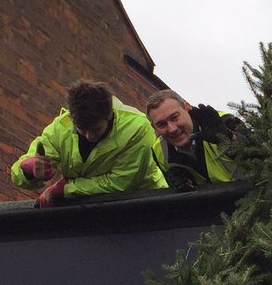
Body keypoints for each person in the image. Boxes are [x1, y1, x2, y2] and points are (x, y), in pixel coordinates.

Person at [11, 80, 166, 207]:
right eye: (82, 130)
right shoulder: (60, 128)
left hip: (147, 205)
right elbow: (20, 175)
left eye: (96, 129)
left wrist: (66, 188)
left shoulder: (137, 128)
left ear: (109, 115)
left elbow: (121, 182)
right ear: (72, 118)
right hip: (92, 209)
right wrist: (28, 170)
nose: (89, 136)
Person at [145, 88, 240, 192]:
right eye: (161, 124)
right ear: (154, 128)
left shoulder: (224, 122)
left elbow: (252, 152)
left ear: (188, 109)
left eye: (175, 117)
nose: (172, 129)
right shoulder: (159, 150)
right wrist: (182, 187)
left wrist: (227, 138)